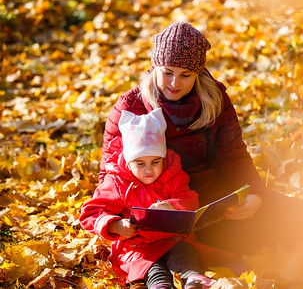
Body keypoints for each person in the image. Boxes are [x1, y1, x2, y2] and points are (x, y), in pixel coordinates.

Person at [100, 21, 303, 257]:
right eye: (167, 72)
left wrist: (254, 194)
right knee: (255, 244)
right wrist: (123, 222)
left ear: (198, 73)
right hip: (167, 214)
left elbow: (234, 154)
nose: (174, 83)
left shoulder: (215, 97)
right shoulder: (131, 106)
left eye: (185, 75)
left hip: (219, 201)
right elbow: (110, 172)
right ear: (155, 67)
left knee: (300, 216)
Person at [80, 108, 223, 288]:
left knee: (184, 254)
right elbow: (90, 212)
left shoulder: (172, 174)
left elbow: (189, 197)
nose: (149, 170)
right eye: (140, 164)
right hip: (138, 247)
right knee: (153, 267)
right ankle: (160, 285)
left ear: (163, 157)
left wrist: (173, 206)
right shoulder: (117, 181)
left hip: (173, 238)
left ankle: (193, 278)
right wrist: (114, 224)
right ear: (129, 161)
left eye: (155, 162)